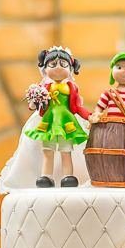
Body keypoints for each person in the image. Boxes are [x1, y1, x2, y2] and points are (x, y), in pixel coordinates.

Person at [24, 46, 91, 188]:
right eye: (53, 65)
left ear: (70, 69)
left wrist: (90, 116)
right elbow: (36, 106)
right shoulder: (45, 89)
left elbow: (78, 107)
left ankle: (68, 177)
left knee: (66, 151)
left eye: (63, 64)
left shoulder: (72, 88)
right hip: (49, 122)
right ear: (45, 68)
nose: (58, 68)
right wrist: (34, 103)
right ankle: (46, 177)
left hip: (67, 123)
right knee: (48, 151)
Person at [91, 53, 125, 123]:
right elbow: (99, 108)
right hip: (111, 126)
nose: (123, 71)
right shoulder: (108, 93)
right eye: (119, 68)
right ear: (112, 71)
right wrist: (97, 114)